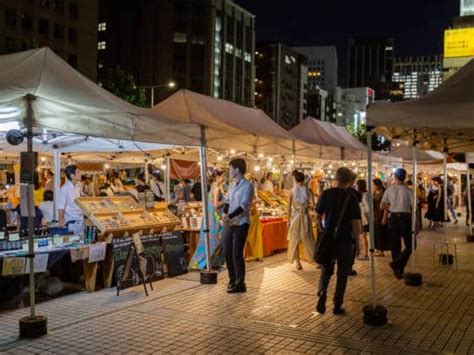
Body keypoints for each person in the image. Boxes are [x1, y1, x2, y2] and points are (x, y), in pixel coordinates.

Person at [316, 167, 361, 315]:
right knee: (342, 273)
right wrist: (358, 241)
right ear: (349, 180)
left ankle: (322, 293)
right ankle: (337, 304)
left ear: (336, 178)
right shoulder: (352, 197)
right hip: (345, 240)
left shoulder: (326, 193)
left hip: (329, 237)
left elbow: (318, 215)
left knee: (326, 269)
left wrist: (323, 229)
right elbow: (355, 222)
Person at [222, 158, 254, 294]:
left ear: (237, 170)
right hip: (229, 223)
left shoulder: (248, 186)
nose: (229, 171)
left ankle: (240, 283)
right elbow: (228, 202)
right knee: (227, 252)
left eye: (230, 169)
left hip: (241, 223)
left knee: (236, 253)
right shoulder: (232, 185)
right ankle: (232, 279)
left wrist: (229, 216)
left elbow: (244, 205)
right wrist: (224, 214)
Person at [189, 169, 226, 270]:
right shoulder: (217, 188)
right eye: (223, 176)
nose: (224, 178)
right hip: (214, 217)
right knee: (215, 240)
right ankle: (202, 263)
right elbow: (215, 205)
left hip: (210, 216)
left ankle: (207, 263)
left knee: (210, 240)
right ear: (217, 177)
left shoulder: (214, 187)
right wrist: (226, 200)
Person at [381, 168, 413, 280]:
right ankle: (398, 266)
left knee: (395, 246)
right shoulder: (408, 191)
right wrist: (417, 223)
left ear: (395, 177)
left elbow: (382, 205)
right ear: (404, 177)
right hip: (405, 218)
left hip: (393, 218)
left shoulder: (389, 190)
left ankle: (397, 268)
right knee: (411, 244)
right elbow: (414, 208)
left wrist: (392, 208)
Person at [287, 171, 315, 270]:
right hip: (305, 217)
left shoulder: (291, 191)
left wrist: (288, 220)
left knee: (295, 239)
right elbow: (313, 205)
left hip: (295, 217)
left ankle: (298, 262)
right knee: (308, 238)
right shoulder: (309, 191)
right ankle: (313, 259)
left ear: (295, 179)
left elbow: (288, 207)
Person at [373, 179, 388, 256]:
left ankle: (381, 250)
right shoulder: (374, 193)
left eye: (373, 185)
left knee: (381, 233)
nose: (373, 187)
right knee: (376, 232)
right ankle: (378, 249)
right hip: (375, 215)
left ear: (377, 185)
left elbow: (386, 206)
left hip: (381, 215)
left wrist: (384, 217)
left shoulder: (384, 193)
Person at [356, 179, 369, 261]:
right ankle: (362, 252)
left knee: (362, 235)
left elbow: (367, 208)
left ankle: (365, 253)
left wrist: (361, 207)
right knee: (361, 236)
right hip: (361, 217)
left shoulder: (365, 195)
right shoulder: (363, 194)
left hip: (363, 217)